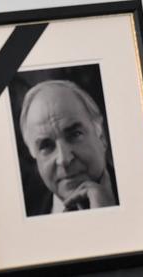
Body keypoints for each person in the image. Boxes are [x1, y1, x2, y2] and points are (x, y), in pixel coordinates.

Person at [19, 79, 118, 214]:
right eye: (46, 145)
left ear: (102, 137)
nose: (64, 159)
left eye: (75, 135)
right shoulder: (25, 212)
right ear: (34, 154)